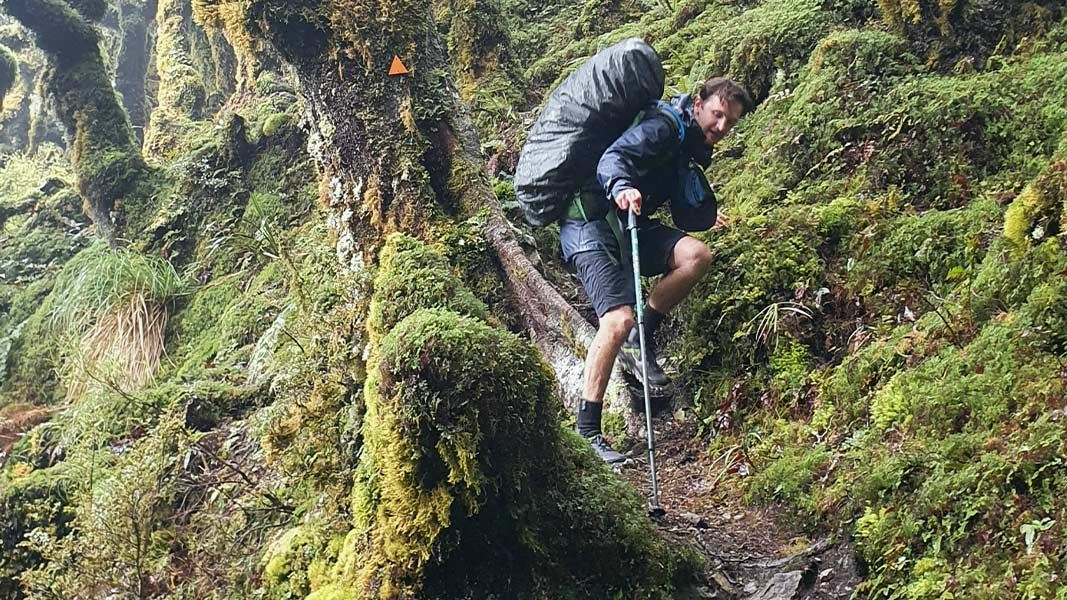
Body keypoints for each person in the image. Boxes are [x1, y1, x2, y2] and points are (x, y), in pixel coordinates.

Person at [560, 77, 753, 463]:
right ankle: (587, 432)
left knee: (696, 255)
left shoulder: (687, 143)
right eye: (717, 114)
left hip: (626, 221)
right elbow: (613, 159)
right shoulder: (663, 126)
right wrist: (621, 186)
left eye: (729, 122)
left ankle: (642, 337)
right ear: (697, 103)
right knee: (616, 321)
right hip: (589, 224)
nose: (720, 127)